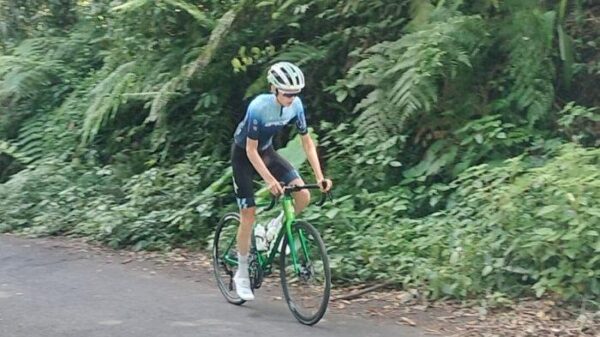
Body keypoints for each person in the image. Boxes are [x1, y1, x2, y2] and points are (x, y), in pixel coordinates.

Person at [230, 61, 332, 300]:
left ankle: (274, 228)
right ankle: (241, 272)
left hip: (267, 152)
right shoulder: (258, 107)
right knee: (249, 214)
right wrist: (268, 180)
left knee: (303, 195)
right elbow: (250, 150)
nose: (291, 97)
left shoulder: (296, 106)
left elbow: (307, 142)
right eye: (287, 93)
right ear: (274, 89)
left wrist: (319, 177)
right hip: (244, 154)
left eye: (296, 93)